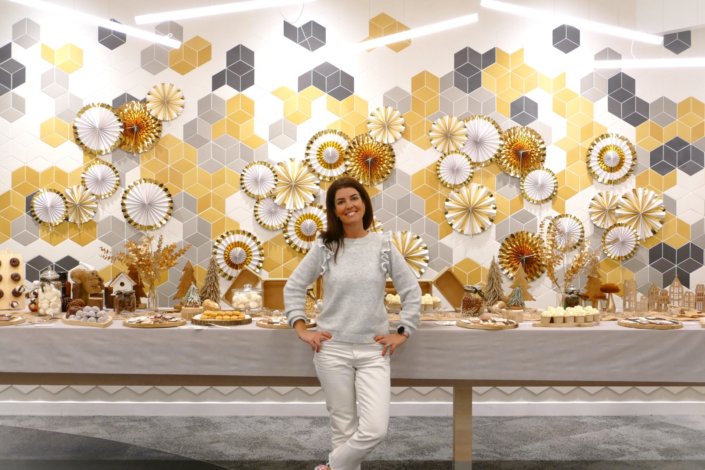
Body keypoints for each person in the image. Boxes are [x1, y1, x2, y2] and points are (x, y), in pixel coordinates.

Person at [285, 176, 421, 470]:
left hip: (373, 351)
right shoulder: (325, 246)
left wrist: (404, 332)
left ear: (364, 202)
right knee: (343, 427)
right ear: (334, 210)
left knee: (374, 429)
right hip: (332, 350)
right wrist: (300, 327)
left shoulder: (383, 244)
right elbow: (294, 286)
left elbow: (411, 289)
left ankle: (332, 466)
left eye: (354, 198)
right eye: (340, 201)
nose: (349, 205)